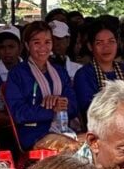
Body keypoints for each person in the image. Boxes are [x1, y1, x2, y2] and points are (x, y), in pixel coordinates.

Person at [5, 20, 78, 150]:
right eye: (36, 43)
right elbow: (18, 113)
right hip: (32, 134)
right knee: (72, 147)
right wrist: (51, 109)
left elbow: (74, 106)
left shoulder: (60, 71)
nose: (43, 48)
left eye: (47, 42)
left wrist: (61, 102)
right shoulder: (17, 74)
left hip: (63, 130)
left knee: (93, 142)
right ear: (27, 45)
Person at [74, 21, 124, 114]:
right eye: (99, 43)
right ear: (90, 46)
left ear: (118, 43)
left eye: (111, 41)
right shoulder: (84, 75)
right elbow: (90, 109)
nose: (106, 47)